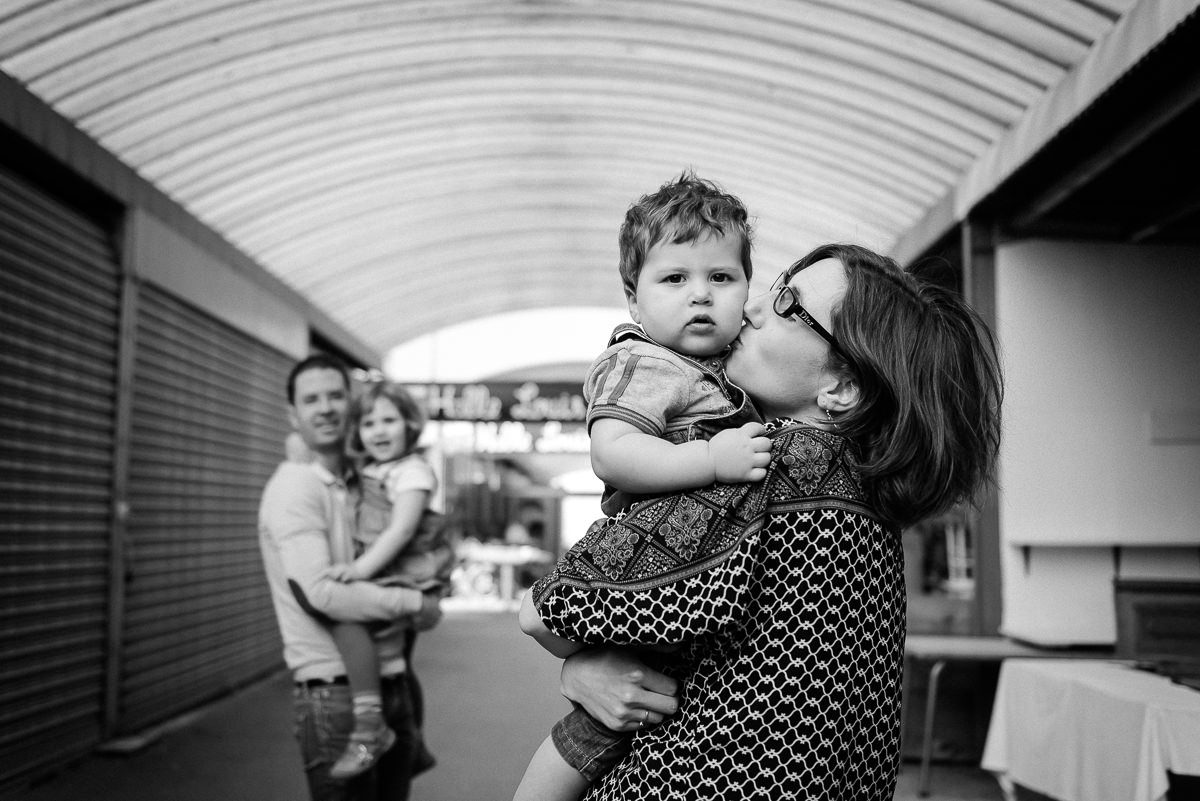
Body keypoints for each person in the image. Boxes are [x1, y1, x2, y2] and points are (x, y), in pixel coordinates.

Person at [520, 243, 1003, 799]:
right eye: (772, 292)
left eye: (788, 305)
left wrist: (580, 669)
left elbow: (546, 608)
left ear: (841, 388)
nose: (749, 308)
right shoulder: (860, 490)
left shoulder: (775, 467)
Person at [513, 172, 771, 800]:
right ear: (634, 301)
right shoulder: (645, 362)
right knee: (604, 723)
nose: (700, 296)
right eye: (674, 279)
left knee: (644, 710)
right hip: (639, 568)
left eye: (721, 278)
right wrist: (712, 458)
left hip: (689, 571)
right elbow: (615, 454)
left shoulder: (727, 365)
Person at [258, 354, 441, 801]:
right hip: (336, 697)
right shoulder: (295, 488)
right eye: (311, 400)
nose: (324, 409)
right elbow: (318, 592)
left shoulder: (358, 479)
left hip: (392, 685)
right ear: (293, 415)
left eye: (335, 396)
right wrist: (415, 605)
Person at [320, 381, 455, 779]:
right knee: (397, 666)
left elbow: (399, 531)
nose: (378, 431)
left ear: (409, 424)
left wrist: (359, 572)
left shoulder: (411, 471)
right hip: (385, 572)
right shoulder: (369, 470)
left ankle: (386, 734)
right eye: (368, 422)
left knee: (390, 659)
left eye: (389, 420)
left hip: (405, 577)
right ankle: (410, 741)